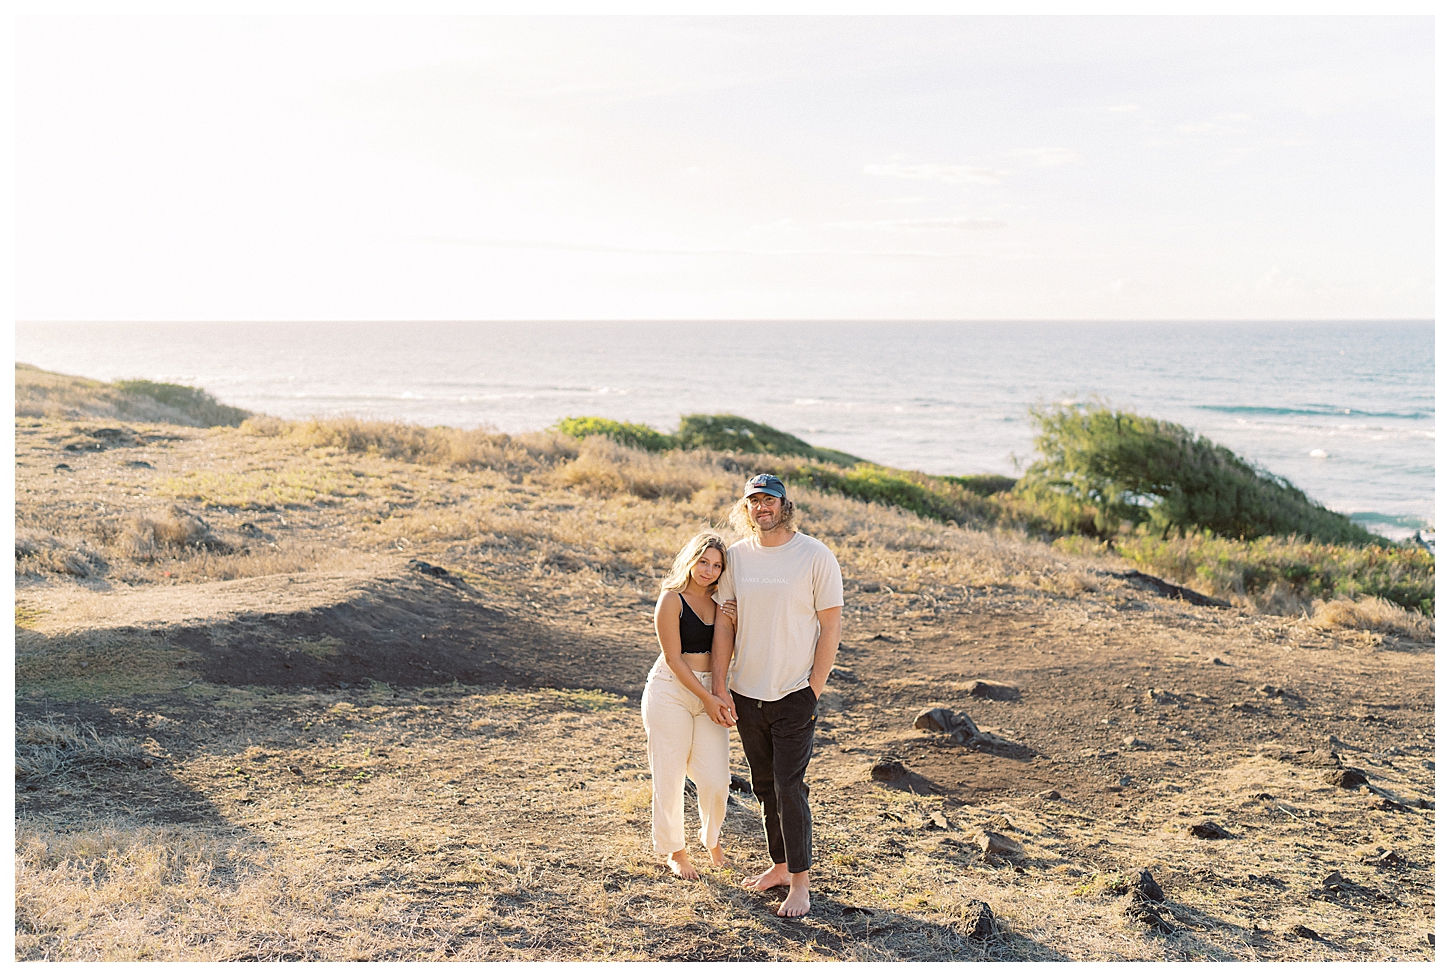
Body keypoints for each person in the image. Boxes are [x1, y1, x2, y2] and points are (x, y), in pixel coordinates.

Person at [710, 473, 843, 918]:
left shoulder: (814, 555)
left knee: (790, 787)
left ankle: (801, 885)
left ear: (785, 505)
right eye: (753, 501)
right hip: (747, 694)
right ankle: (781, 866)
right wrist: (720, 683)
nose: (761, 507)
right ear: (745, 508)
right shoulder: (736, 558)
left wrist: (814, 688)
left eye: (769, 500)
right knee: (765, 787)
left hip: (793, 695)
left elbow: (830, 626)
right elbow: (726, 622)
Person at [640, 532, 738, 880]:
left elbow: (724, 651)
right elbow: (673, 658)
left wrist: (720, 693)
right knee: (669, 772)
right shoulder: (672, 599)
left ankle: (711, 840)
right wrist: (707, 697)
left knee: (715, 778)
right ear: (691, 559)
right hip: (671, 689)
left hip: (710, 689)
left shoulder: (723, 605)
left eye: (716, 565)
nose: (708, 570)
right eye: (703, 562)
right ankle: (676, 852)